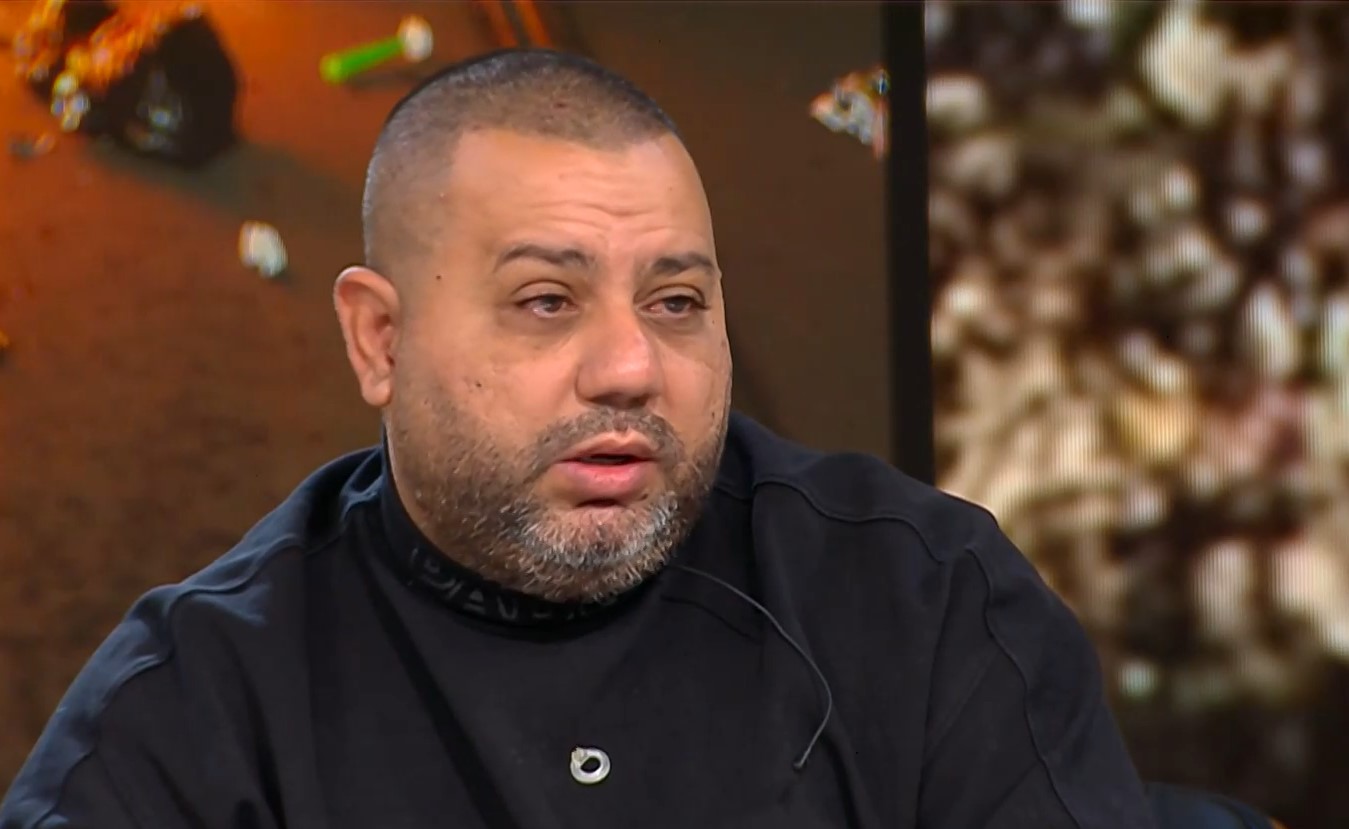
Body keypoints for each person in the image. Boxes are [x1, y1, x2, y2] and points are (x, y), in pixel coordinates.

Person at [0, 48, 1158, 828]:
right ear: (377, 338)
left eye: (676, 301)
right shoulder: (189, 709)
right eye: (546, 300)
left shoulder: (928, 601)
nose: (630, 367)